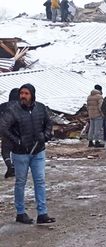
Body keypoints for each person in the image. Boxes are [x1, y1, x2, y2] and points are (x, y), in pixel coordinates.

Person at [0, 84, 56, 224]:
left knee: (40, 181)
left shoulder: (40, 108)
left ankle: (42, 213)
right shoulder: (13, 110)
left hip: (38, 151)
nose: (23, 96)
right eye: (21, 93)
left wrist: (46, 135)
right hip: (20, 153)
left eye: (26, 93)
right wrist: (17, 141)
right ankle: (20, 213)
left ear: (32, 95)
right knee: (20, 182)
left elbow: (49, 122)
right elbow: (3, 127)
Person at [0, 88, 19, 178]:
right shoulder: (23, 106)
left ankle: (9, 166)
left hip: (6, 132)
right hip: (19, 133)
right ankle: (15, 167)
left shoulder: (3, 106)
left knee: (5, 151)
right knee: (17, 150)